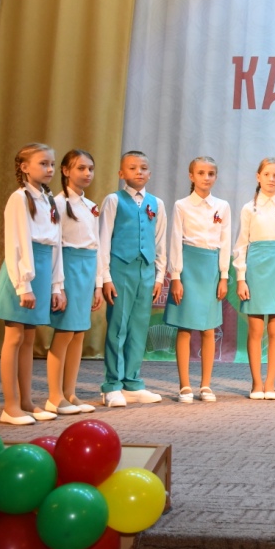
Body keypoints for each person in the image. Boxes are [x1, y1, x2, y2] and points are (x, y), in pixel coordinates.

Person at [0, 143, 65, 425]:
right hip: (22, 274)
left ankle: (27, 402)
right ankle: (10, 406)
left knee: (29, 339)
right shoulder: (19, 199)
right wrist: (24, 285)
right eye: (43, 163)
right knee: (15, 337)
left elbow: (55, 245)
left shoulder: (48, 199)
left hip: (41, 272)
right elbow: (16, 244)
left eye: (52, 164)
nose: (49, 169)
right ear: (24, 167)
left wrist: (56, 286)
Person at [98, 151, 166, 408]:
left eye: (143, 168)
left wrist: (159, 275)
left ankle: (132, 383)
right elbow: (104, 240)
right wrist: (105, 276)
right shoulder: (114, 200)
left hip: (145, 271)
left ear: (150, 173)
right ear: (121, 173)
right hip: (120, 269)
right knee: (118, 327)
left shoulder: (156, 203)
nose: (139, 171)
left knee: (139, 327)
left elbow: (160, 241)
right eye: (132, 167)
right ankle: (112, 385)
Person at [164, 156, 231, 403]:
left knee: (208, 327)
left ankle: (205, 385)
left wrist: (224, 276)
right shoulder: (181, 205)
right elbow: (175, 240)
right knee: (185, 326)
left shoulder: (222, 206)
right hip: (188, 266)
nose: (206, 177)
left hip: (210, 268)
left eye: (211, 173)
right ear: (191, 176)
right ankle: (184, 385)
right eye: (201, 173)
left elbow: (225, 241)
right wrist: (176, 276)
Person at [234, 157, 275, 400]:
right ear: (258, 176)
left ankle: (270, 383)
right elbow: (241, 245)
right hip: (256, 267)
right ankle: (256, 382)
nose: (271, 179)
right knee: (255, 328)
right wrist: (241, 278)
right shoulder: (248, 209)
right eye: (267, 174)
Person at [47, 149, 102, 414]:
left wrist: (98, 285)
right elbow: (56, 246)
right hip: (68, 267)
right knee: (64, 332)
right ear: (66, 171)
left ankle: (70, 392)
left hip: (87, 269)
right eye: (81, 168)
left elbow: (97, 245)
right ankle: (54, 396)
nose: (87, 173)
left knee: (79, 333)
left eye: (90, 168)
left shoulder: (90, 205)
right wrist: (57, 286)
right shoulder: (57, 204)